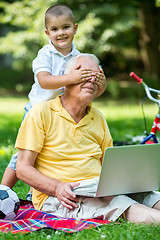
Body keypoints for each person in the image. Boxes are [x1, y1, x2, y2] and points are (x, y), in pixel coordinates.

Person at [16, 54, 160, 224]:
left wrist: (128, 181)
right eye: (84, 74)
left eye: (97, 76)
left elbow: (109, 164)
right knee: (121, 204)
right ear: (68, 79)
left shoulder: (98, 117)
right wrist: (57, 187)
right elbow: (22, 168)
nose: (92, 80)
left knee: (152, 197)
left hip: (97, 188)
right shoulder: (40, 113)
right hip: (64, 196)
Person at [1, 4, 106, 201]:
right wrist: (71, 77)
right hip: (38, 110)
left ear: (75, 28)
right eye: (55, 29)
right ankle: (3, 192)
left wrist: (101, 82)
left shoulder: (79, 57)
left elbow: (93, 89)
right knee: (23, 157)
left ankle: (36, 191)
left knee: (51, 153)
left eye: (66, 27)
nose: (61, 33)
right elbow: (44, 81)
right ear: (47, 33)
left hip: (64, 112)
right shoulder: (45, 54)